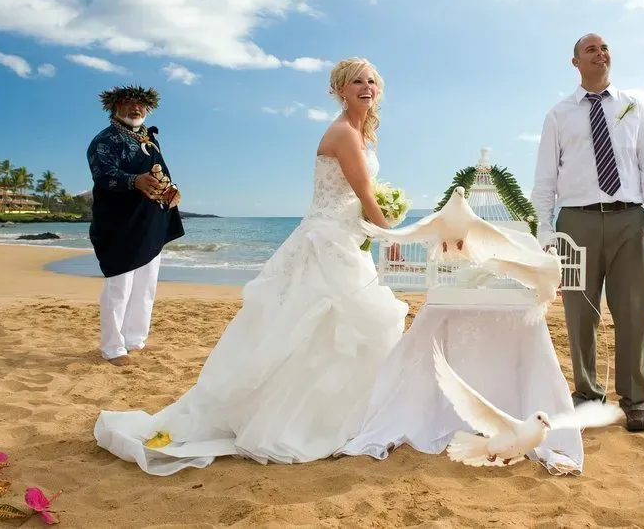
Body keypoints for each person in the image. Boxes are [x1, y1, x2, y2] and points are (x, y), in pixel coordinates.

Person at [93, 58, 409, 475]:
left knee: (331, 327)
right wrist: (396, 241)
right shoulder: (341, 134)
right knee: (342, 321)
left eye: (372, 80)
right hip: (329, 240)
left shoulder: (359, 133)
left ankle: (346, 411)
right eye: (357, 81)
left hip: (344, 238)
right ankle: (312, 419)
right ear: (339, 90)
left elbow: (361, 201)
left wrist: (373, 229)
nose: (366, 86)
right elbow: (366, 195)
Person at [530, 33, 644, 432]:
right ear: (575, 62)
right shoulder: (559, 115)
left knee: (633, 312)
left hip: (630, 219)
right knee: (579, 313)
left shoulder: (634, 108)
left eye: (604, 47)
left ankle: (636, 400)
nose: (600, 53)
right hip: (576, 223)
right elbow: (545, 180)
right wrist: (545, 232)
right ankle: (588, 394)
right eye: (590, 49)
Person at [86, 85, 184, 367]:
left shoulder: (148, 140)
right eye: (128, 103)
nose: (135, 109)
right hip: (119, 223)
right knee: (119, 286)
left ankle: (134, 339)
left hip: (150, 219)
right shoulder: (104, 141)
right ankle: (112, 347)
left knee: (146, 286)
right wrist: (134, 181)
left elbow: (160, 174)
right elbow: (104, 175)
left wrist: (170, 192)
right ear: (114, 107)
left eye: (140, 105)